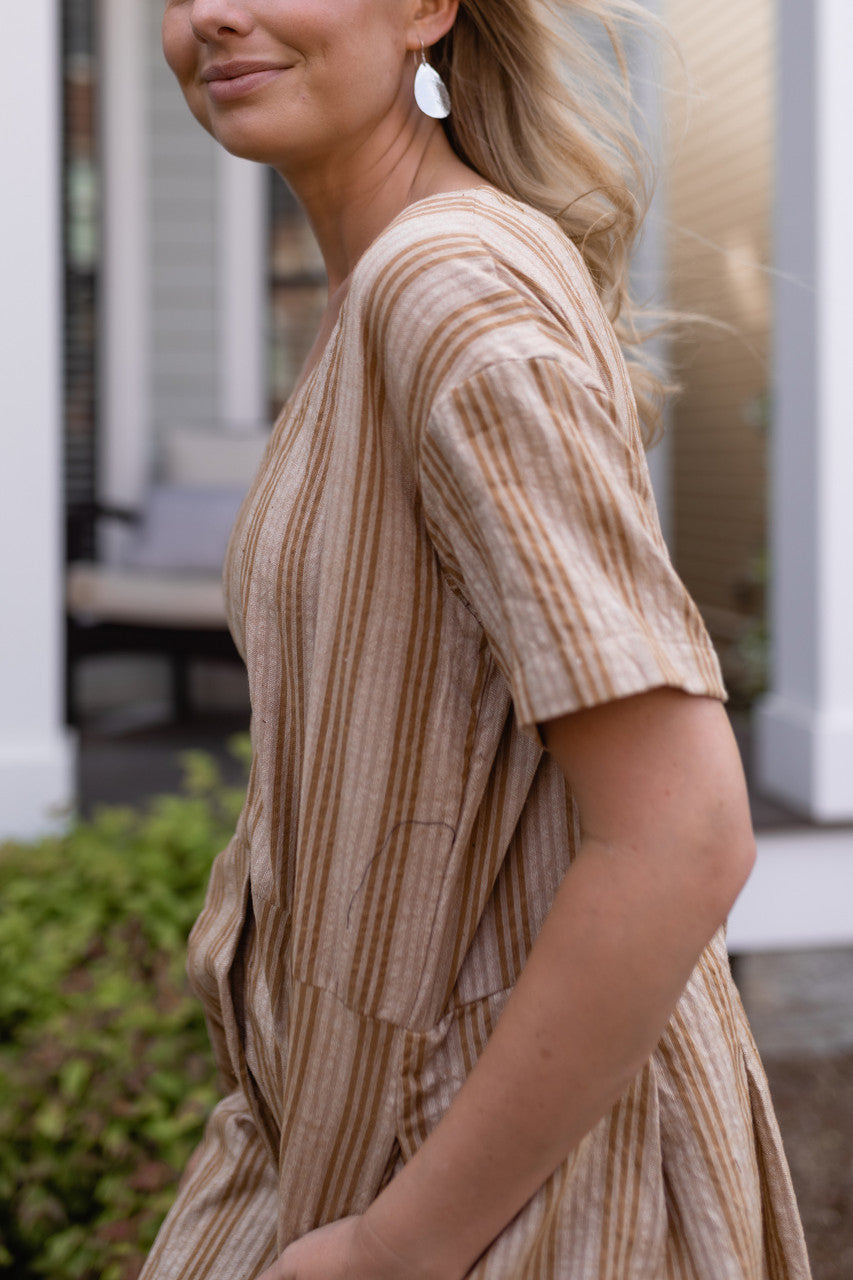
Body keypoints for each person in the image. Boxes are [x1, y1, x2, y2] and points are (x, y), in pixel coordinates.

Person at [145, 1, 810, 1276]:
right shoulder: (381, 283)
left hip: (519, 1200)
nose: (210, 16)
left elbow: (679, 831)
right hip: (358, 1136)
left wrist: (394, 1244)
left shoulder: (439, 288)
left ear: (424, 10)